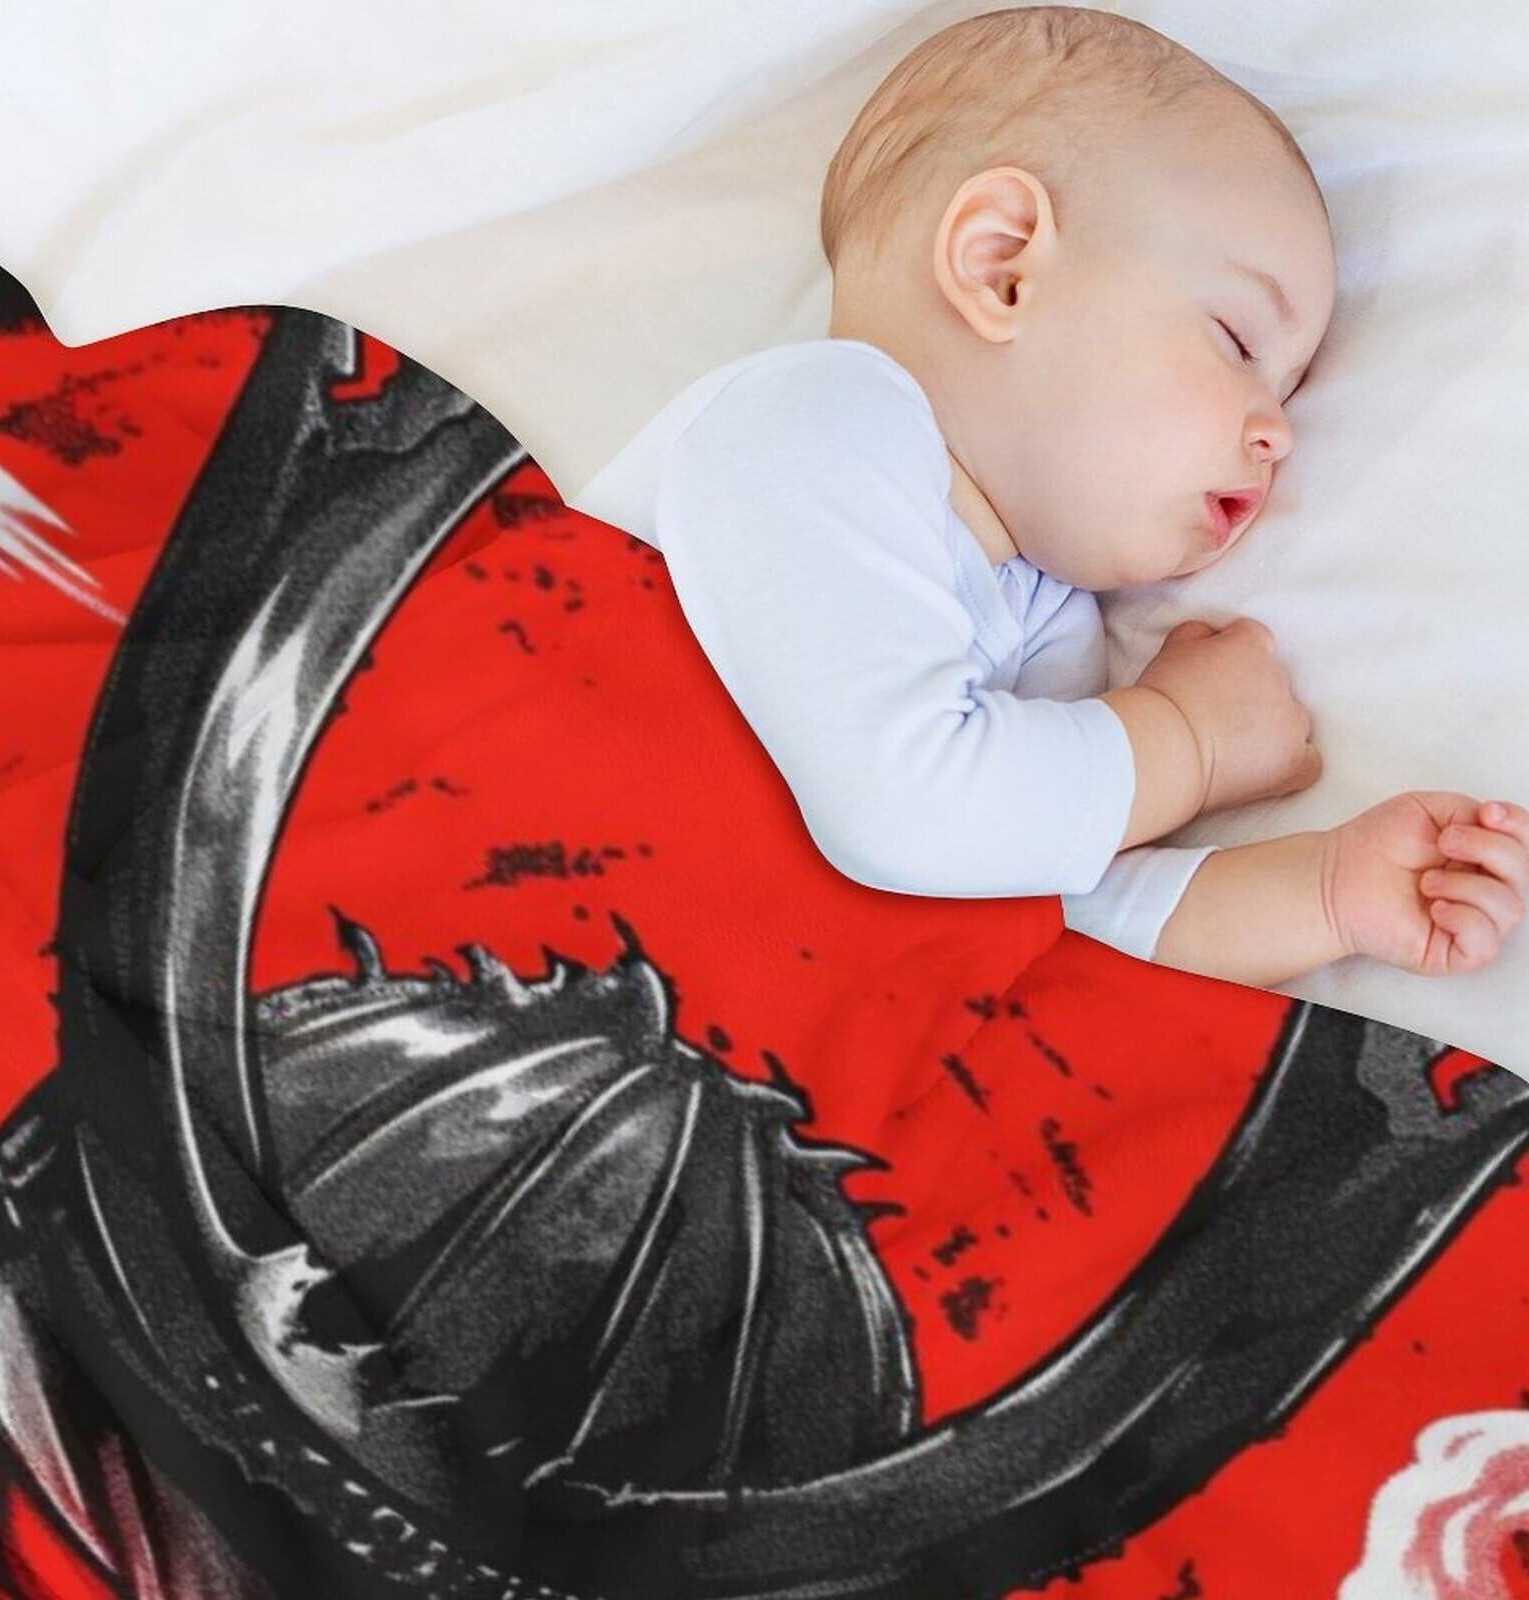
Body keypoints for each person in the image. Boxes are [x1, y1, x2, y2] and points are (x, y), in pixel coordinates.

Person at [580, 5, 1528, 989]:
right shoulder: (809, 421)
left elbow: (1044, 904)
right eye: (1239, 342)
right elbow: (908, 808)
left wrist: (1326, 894)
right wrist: (1186, 740)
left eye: (1287, 393)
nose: (1276, 432)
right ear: (1002, 268)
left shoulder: (1040, 612)